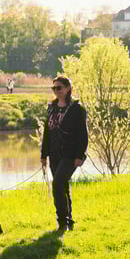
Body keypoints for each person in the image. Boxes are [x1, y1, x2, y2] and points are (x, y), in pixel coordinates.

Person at [40, 76, 88, 231]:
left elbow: (83, 134)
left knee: (58, 183)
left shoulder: (77, 109)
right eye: (54, 88)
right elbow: (47, 132)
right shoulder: (51, 107)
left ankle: (61, 223)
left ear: (68, 88)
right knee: (63, 186)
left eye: (59, 88)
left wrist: (79, 156)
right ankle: (69, 221)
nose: (56, 91)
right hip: (54, 154)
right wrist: (43, 154)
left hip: (70, 154)